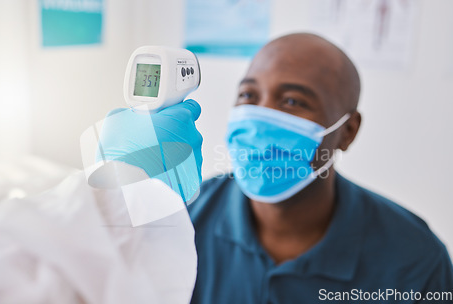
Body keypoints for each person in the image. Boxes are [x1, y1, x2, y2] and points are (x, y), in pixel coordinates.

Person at [186, 33, 453, 303]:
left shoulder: (416, 261)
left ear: (348, 131)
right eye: (248, 95)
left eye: (292, 101)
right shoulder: (184, 220)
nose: (259, 118)